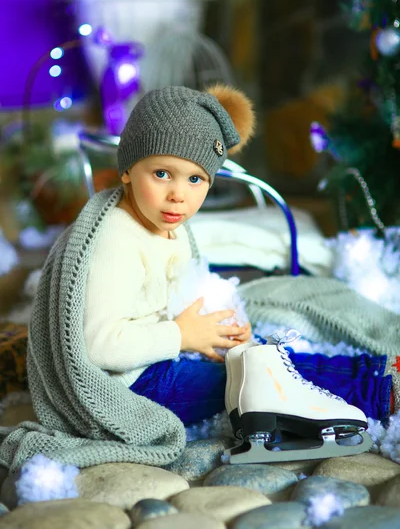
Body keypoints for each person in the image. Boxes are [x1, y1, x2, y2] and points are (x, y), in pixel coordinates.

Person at [0, 84, 397, 474]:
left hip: (156, 356)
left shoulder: (167, 225)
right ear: (126, 170)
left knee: (260, 358)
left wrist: (220, 329)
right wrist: (183, 336)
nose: (178, 195)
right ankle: (377, 392)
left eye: (195, 179)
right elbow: (99, 346)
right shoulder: (115, 241)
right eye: (161, 173)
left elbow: (182, 293)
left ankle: (374, 368)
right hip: (130, 388)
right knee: (252, 381)